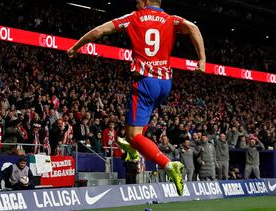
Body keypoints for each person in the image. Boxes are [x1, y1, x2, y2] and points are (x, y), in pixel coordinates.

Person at [67, 0, 206, 196]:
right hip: (165, 83)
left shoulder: (134, 17)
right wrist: (202, 59)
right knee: (133, 130)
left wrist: (76, 47)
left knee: (133, 135)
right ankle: (132, 149)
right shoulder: (171, 19)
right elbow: (193, 27)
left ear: (147, 1)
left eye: (138, 0)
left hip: (145, 82)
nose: (136, 3)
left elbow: (99, 31)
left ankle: (169, 166)